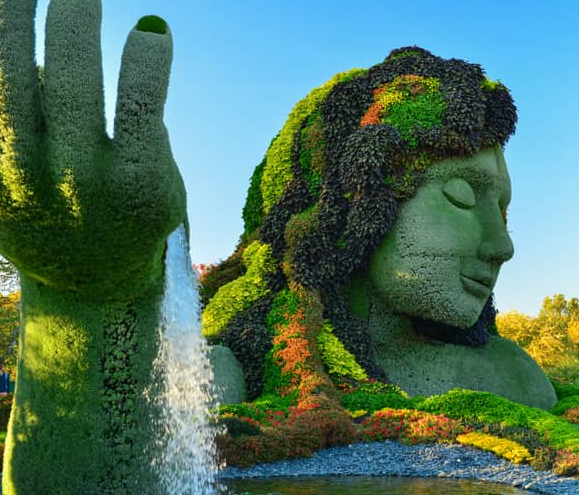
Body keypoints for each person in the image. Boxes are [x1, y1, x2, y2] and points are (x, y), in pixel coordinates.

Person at [202, 47, 555, 409]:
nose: (502, 247)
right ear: (352, 200)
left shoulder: (514, 373)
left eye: (501, 210)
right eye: (460, 195)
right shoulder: (229, 369)